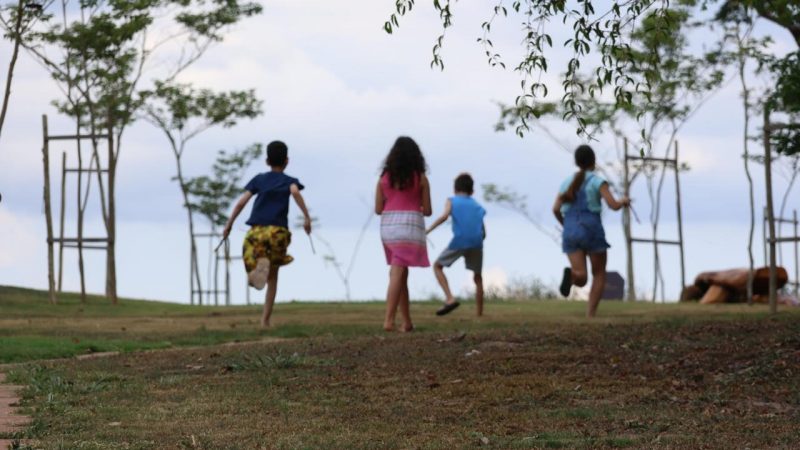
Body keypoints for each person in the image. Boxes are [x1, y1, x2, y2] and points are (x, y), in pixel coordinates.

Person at [223, 140, 312, 328]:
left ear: (266, 161)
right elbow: (295, 192)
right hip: (277, 233)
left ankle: (254, 272)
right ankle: (265, 320)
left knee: (250, 259)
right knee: (273, 276)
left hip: (256, 231)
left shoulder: (259, 179)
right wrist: (306, 217)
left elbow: (241, 203)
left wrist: (229, 224)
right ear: (287, 161)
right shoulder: (289, 181)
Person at [552, 145, 630, 318]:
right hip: (591, 227)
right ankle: (590, 314)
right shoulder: (597, 181)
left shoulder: (566, 182)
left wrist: (566, 225)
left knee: (582, 276)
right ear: (593, 161)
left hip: (571, 228)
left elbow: (556, 208)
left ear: (576, 162)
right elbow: (613, 205)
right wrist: (624, 201)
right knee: (599, 273)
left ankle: (572, 275)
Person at [375, 136, 432, 332]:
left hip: (389, 226)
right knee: (398, 272)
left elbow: (377, 208)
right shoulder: (421, 178)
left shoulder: (383, 179)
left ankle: (406, 322)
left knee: (399, 272)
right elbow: (427, 210)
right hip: (410, 226)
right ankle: (389, 320)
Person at [426, 173, 486, 316]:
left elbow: (444, 216)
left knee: (437, 266)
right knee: (478, 277)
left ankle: (450, 298)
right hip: (477, 242)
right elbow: (483, 231)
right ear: (472, 191)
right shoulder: (477, 205)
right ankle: (479, 313)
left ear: (455, 189)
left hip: (460, 240)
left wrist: (428, 230)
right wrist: (477, 240)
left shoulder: (452, 201)